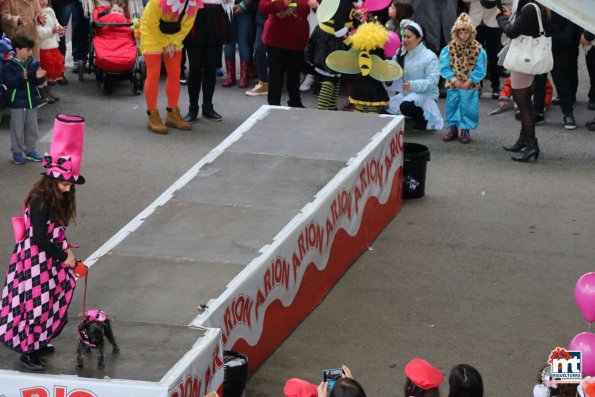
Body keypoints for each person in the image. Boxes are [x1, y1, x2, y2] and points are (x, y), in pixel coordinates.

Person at [0, 114, 85, 371]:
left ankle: (38, 340)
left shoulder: (54, 196)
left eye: (70, 184)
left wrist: (63, 253)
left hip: (48, 256)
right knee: (35, 301)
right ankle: (28, 349)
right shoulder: (40, 201)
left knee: (48, 299)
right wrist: (65, 257)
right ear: (52, 180)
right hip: (36, 260)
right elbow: (38, 237)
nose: (68, 188)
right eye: (64, 183)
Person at [497, 0, 548, 162]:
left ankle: (532, 145)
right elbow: (520, 26)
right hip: (525, 58)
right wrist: (510, 16)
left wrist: (501, 19)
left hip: (523, 59)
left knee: (523, 103)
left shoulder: (529, 8)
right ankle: (524, 140)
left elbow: (512, 32)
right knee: (523, 102)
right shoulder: (532, 6)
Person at [140, 0, 201, 134]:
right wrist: (165, 43)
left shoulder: (194, 2)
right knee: (154, 73)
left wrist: (173, 42)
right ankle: (152, 116)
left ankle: (172, 114)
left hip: (174, 32)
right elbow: (151, 22)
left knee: (175, 72)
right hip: (151, 31)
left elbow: (187, 24)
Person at [387, 20, 443, 131]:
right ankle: (412, 113)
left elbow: (432, 82)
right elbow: (392, 69)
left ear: (419, 38)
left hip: (426, 95)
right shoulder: (401, 52)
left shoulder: (430, 56)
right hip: (406, 93)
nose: (404, 40)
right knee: (384, 108)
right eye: (403, 36)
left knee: (405, 106)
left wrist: (412, 85)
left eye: (409, 37)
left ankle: (422, 117)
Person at [439, 12, 487, 143]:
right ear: (456, 32)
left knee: (468, 106)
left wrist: (470, 80)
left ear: (471, 32)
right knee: (452, 105)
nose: (463, 36)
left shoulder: (477, 48)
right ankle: (453, 129)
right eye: (460, 32)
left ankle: (465, 130)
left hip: (469, 85)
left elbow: (480, 67)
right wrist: (453, 79)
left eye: (466, 32)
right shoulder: (450, 48)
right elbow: (444, 66)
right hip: (454, 84)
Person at [259, 0, 317, 107]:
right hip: (276, 38)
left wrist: (315, 5)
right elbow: (263, 7)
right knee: (276, 74)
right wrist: (284, 3)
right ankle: (273, 103)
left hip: (297, 39)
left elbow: (319, 9)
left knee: (294, 74)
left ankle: (295, 101)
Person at [182, 0, 230, 122]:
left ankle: (208, 107)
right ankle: (193, 109)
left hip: (215, 17)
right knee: (195, 68)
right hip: (195, 16)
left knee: (211, 68)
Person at [531, 11, 581, 130]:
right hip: (540, 44)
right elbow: (530, 17)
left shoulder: (563, 4)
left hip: (559, 46)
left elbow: (571, 21)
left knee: (562, 80)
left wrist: (563, 38)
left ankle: (568, 113)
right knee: (538, 80)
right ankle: (538, 111)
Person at [3, 32, 46, 165]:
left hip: (31, 100)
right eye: (28, 50)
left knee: (32, 128)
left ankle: (30, 150)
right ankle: (17, 151)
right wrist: (23, 77)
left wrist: (40, 78)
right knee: (17, 128)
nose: (30, 52)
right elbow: (9, 83)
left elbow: (36, 82)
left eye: (31, 49)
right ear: (18, 49)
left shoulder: (33, 63)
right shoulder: (9, 65)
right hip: (17, 103)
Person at [462, 0, 508, 99]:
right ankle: (477, 84)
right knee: (476, 54)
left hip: (494, 19)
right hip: (475, 20)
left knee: (492, 54)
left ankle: (495, 86)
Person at [36, 0, 66, 101]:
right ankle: (42, 93)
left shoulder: (50, 11)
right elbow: (38, 32)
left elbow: (56, 23)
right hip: (43, 47)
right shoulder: (36, 13)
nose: (43, 1)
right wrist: (51, 31)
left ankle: (48, 91)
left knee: (49, 72)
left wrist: (60, 30)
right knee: (44, 71)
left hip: (53, 45)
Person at [222, 0, 256, 88]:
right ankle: (230, 76)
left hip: (245, 11)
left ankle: (244, 76)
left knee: (243, 43)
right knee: (229, 43)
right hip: (227, 9)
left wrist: (243, 5)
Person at [245, 7, 269, 96]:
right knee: (259, 49)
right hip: (263, 17)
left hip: (283, 15)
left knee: (279, 52)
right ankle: (264, 83)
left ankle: (278, 83)